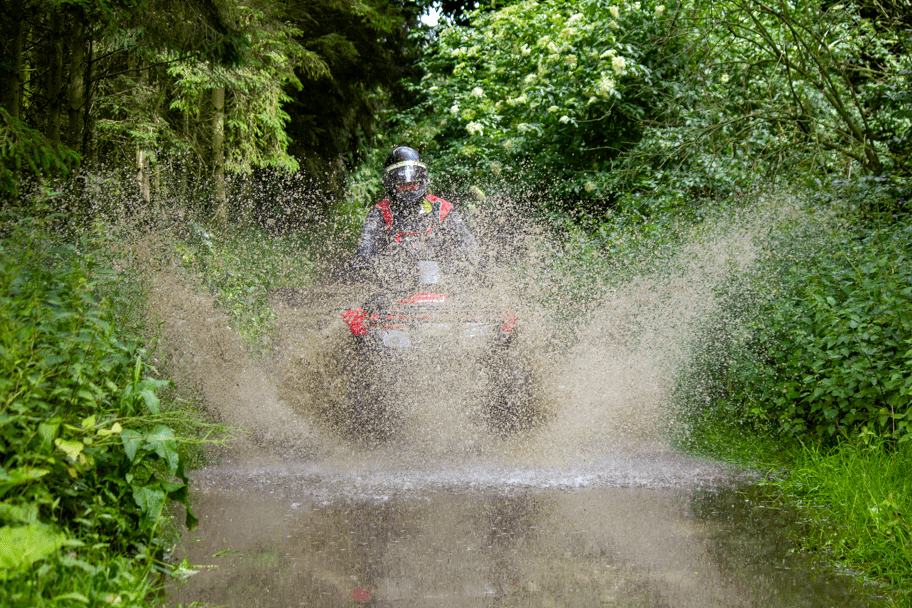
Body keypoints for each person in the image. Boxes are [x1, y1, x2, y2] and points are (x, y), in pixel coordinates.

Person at [351, 146, 483, 287]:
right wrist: (362, 260)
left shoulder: (442, 208)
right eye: (402, 185)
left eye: (413, 184)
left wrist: (478, 263)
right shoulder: (380, 212)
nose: (408, 189)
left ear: (421, 181)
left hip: (440, 282)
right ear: (391, 184)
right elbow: (366, 242)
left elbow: (467, 241)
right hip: (394, 283)